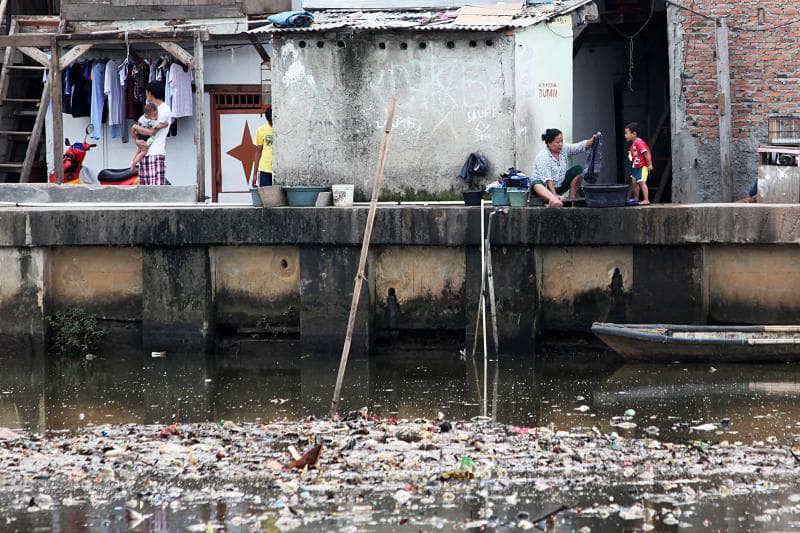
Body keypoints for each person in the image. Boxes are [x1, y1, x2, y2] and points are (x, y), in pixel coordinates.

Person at [530, 128, 598, 208]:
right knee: (536, 183)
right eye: (557, 142)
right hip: (545, 189)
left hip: (559, 186)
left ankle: (572, 199)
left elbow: (579, 147)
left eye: (562, 141)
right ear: (549, 143)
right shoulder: (543, 156)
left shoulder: (564, 148)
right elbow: (548, 181)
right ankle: (553, 199)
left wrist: (593, 140)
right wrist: (554, 195)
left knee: (579, 169)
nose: (561, 144)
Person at [131, 82, 171, 185]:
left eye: (146, 92)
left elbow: (151, 131)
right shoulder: (151, 109)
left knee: (156, 192)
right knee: (145, 195)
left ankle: (132, 165)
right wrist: (136, 140)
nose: (146, 95)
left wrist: (135, 127)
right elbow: (142, 128)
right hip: (145, 153)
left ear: (150, 93)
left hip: (155, 154)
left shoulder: (163, 109)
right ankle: (133, 164)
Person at [625, 122, 654, 205]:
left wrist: (650, 164)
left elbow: (646, 152)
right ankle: (636, 199)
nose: (625, 135)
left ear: (634, 134)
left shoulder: (639, 142)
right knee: (634, 181)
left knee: (642, 182)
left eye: (627, 133)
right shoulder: (634, 144)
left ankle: (646, 200)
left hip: (642, 166)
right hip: (636, 167)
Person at [130, 103, 159, 171]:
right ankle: (133, 166)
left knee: (139, 151)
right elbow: (155, 126)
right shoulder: (149, 120)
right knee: (144, 152)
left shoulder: (142, 118)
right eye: (154, 114)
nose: (156, 115)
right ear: (150, 113)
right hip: (144, 138)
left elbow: (136, 127)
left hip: (140, 136)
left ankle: (132, 163)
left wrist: (134, 136)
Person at [252, 108, 274, 187]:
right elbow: (258, 151)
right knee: (266, 196)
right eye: (270, 121)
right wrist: (254, 174)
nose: (272, 123)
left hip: (279, 171)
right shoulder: (261, 130)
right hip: (265, 169)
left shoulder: (282, 129)